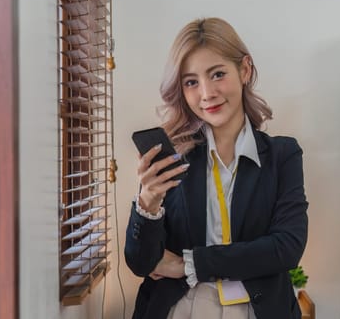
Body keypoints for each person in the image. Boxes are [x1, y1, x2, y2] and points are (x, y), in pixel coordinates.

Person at [125, 17, 308, 319]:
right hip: (180, 309)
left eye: (218, 74)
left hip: (256, 308)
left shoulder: (283, 155)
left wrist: (189, 263)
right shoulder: (173, 157)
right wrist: (148, 203)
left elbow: (287, 247)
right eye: (191, 82)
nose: (207, 93)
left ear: (245, 70)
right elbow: (142, 263)